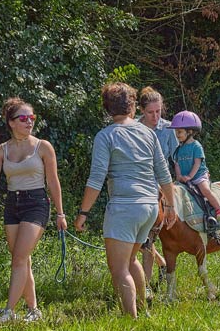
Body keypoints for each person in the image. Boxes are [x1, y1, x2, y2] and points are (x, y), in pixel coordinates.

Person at [74, 82, 176, 318]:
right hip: (150, 206)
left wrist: (83, 213)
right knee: (131, 260)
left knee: (119, 269)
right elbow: (163, 173)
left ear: (108, 109)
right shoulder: (148, 134)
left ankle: (131, 320)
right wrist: (169, 206)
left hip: (124, 207)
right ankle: (143, 312)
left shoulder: (106, 135)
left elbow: (96, 178)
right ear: (132, 107)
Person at [0, 97, 67, 323]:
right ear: (11, 122)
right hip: (12, 204)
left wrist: (60, 213)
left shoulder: (43, 147)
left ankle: (8, 311)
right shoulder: (1, 150)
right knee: (22, 259)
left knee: (19, 258)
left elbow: (53, 182)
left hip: (37, 203)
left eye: (32, 118)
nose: (29, 122)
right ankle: (34, 310)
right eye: (24, 118)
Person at [136, 86, 177, 292]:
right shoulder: (132, 127)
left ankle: (146, 287)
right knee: (142, 239)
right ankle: (159, 265)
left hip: (160, 187)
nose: (155, 117)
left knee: (147, 238)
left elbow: (176, 158)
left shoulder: (168, 129)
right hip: (138, 185)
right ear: (142, 110)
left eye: (159, 111)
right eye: (151, 112)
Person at [168, 110, 220, 221]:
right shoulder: (178, 149)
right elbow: (177, 164)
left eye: (179, 132)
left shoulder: (196, 146)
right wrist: (179, 176)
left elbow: (197, 163)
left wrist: (190, 177)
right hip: (184, 178)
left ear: (189, 131)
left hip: (198, 176)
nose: (177, 135)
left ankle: (219, 210)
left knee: (205, 190)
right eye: (176, 132)